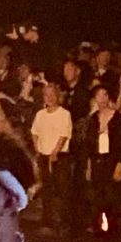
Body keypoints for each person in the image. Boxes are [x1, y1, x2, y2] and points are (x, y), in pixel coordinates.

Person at [80, 86, 121, 242]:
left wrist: (120, 165)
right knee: (98, 198)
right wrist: (89, 166)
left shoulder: (117, 119)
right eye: (98, 96)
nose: (101, 99)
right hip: (97, 162)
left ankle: (118, 234)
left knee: (114, 198)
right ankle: (101, 233)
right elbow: (88, 146)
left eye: (104, 95)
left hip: (112, 161)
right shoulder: (93, 119)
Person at [32, 83, 75, 230]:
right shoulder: (40, 114)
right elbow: (35, 132)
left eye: (52, 95)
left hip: (59, 157)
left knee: (63, 190)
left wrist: (55, 152)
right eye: (46, 95)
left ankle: (64, 223)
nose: (49, 98)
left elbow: (64, 135)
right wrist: (38, 150)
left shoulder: (64, 114)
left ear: (57, 96)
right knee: (47, 190)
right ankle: (47, 222)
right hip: (44, 156)